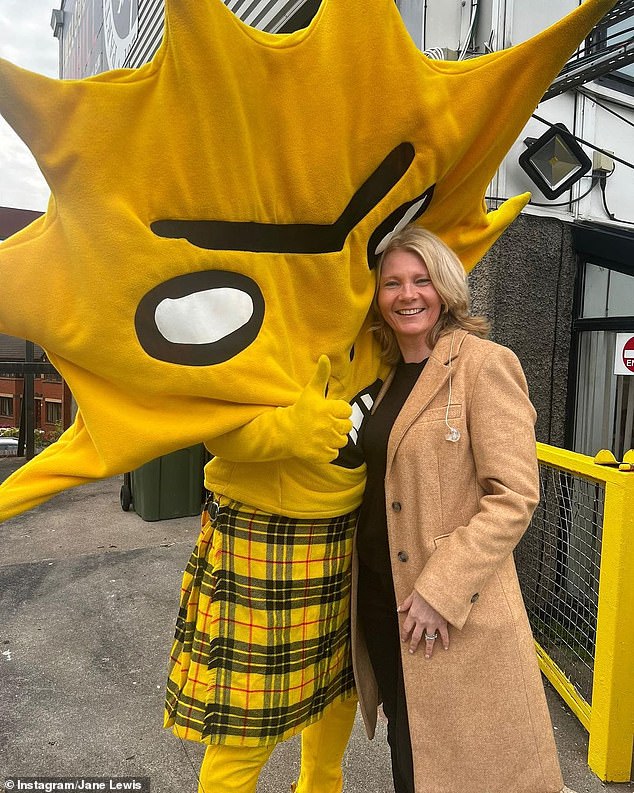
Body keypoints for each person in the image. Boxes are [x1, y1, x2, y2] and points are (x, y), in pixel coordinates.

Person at [351, 225, 564, 793]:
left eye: (421, 279)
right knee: (411, 749)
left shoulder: (484, 364)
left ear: (444, 287)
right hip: (383, 599)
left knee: (461, 763)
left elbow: (514, 496)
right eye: (392, 282)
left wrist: (440, 590)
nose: (407, 294)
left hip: (446, 607)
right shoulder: (386, 374)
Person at [163, 348, 385, 793]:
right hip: (262, 537)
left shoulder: (384, 341)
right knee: (244, 718)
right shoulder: (273, 322)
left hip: (347, 540)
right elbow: (214, 428)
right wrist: (286, 430)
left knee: (341, 692)